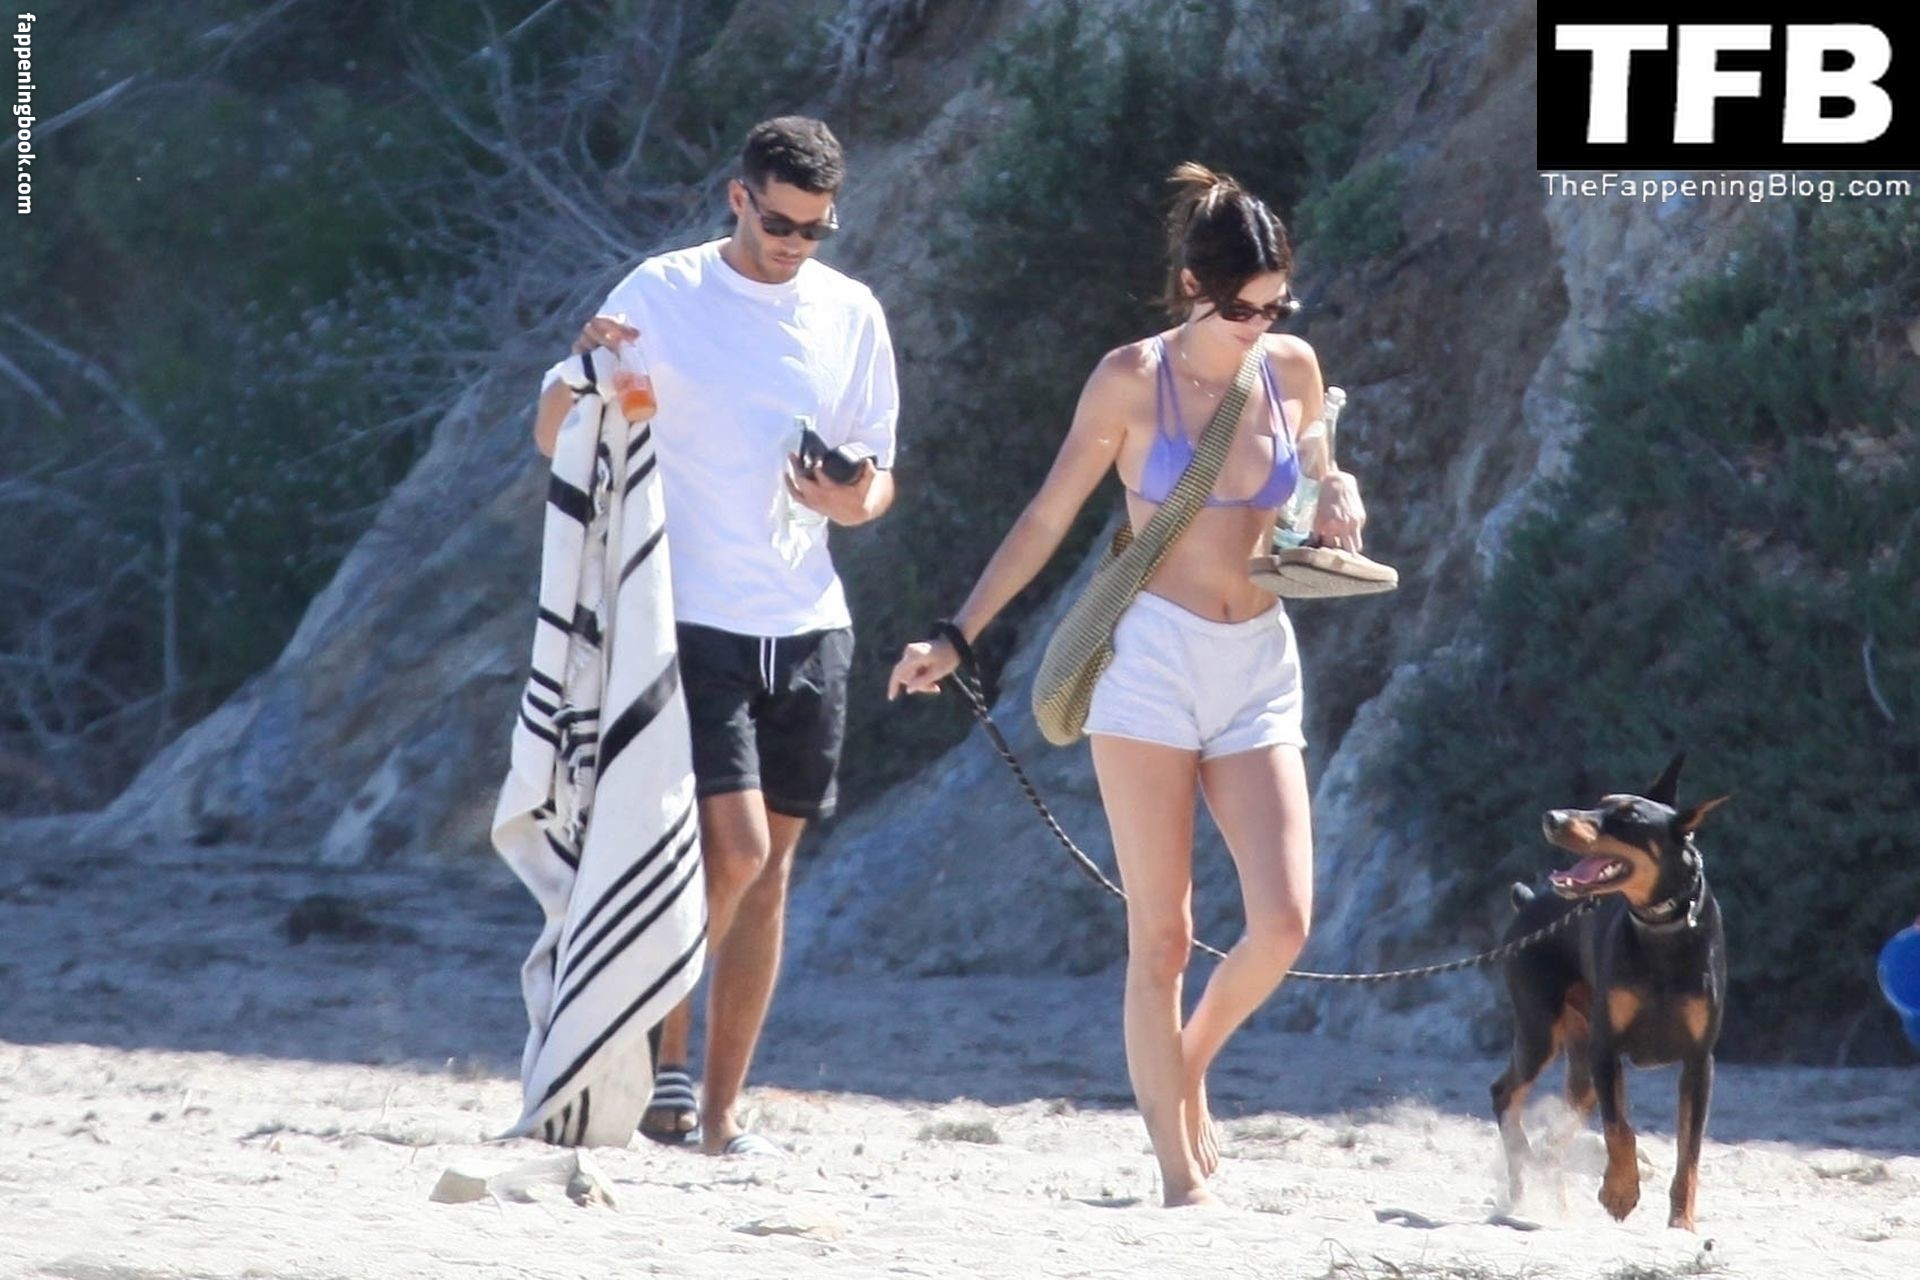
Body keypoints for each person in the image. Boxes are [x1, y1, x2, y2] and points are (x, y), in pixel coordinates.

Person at [887, 163, 1365, 1207]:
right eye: (1242, 308)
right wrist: (959, 633)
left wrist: (1337, 486)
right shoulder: (1128, 380)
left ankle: (1186, 1065)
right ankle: (1178, 1175)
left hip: (1258, 661)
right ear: (1195, 285)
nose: (1260, 324)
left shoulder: (1289, 366)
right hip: (1151, 661)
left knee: (1284, 922)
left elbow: (1316, 452)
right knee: (1164, 934)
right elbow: (1047, 516)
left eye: (1276, 305)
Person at [534, 116, 899, 1156]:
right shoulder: (662, 292)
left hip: (809, 621)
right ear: (739, 197)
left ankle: (718, 1113)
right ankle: (663, 1053)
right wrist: (576, 369)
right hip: (687, 615)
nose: (795, 245)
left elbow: (879, 478)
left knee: (771, 871)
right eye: (780, 223)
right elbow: (555, 432)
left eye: (816, 230)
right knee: (730, 850)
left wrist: (850, 496)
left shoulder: (850, 311)